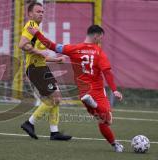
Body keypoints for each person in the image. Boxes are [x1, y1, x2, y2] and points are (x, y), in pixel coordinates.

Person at [27, 24, 124, 152]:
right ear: (96, 36)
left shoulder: (74, 48)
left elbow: (52, 46)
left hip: (84, 93)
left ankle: (114, 144)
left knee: (102, 120)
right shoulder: (99, 52)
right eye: (101, 37)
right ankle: (113, 142)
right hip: (98, 91)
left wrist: (37, 34)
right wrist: (114, 89)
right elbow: (107, 71)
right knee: (107, 120)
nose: (101, 40)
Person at [19, 1, 72, 140]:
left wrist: (56, 60)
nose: (41, 14)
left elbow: (41, 56)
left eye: (42, 12)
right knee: (56, 97)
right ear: (30, 14)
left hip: (41, 67)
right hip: (36, 68)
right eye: (38, 11)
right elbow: (22, 45)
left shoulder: (37, 30)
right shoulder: (31, 25)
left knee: (55, 98)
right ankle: (29, 123)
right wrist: (39, 52)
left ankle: (54, 132)